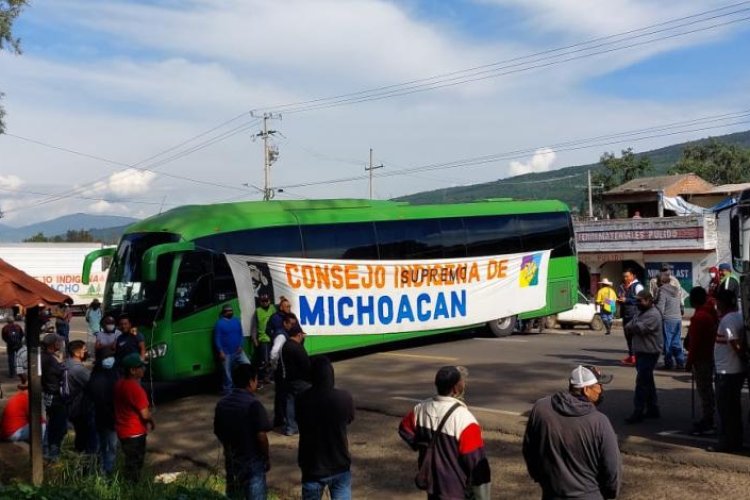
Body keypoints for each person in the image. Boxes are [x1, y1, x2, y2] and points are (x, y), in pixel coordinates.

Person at [523, 365, 621, 499]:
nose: (601, 390)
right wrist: (609, 493)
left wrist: (543, 480)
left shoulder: (541, 409)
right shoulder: (599, 422)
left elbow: (529, 450)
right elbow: (612, 467)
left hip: (552, 493)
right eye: (598, 385)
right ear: (586, 390)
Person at [398, 366, 491, 500]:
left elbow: (404, 429)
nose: (464, 384)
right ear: (455, 388)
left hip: (432, 486)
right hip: (456, 491)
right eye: (462, 382)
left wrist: (421, 446)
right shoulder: (466, 420)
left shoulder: (420, 409)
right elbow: (477, 466)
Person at [296, 356, 355, 500]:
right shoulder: (344, 397)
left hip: (312, 467)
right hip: (340, 464)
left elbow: (298, 421)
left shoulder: (302, 399)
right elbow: (349, 419)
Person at [214, 363, 272, 500]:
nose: (256, 383)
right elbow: (261, 436)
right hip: (252, 462)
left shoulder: (222, 404)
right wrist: (266, 457)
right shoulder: (254, 405)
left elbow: (218, 431)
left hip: (232, 460)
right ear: (251, 382)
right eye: (256, 379)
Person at [710, 288, 745, 453]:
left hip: (727, 373)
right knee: (732, 409)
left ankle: (727, 443)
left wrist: (744, 358)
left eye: (717, 302)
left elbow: (735, 344)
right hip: (732, 371)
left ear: (722, 303)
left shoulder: (728, 320)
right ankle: (734, 440)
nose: (716, 305)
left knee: (726, 410)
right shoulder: (737, 317)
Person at [624, 290, 664, 424]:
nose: (637, 303)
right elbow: (629, 325)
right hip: (641, 351)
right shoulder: (641, 312)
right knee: (648, 381)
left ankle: (638, 411)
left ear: (648, 300)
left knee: (641, 382)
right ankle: (653, 408)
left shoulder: (653, 315)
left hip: (650, 352)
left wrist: (631, 327)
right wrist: (631, 327)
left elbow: (638, 328)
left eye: (640, 301)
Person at [114, 352, 155, 481]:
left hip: (122, 431)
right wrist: (151, 420)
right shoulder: (136, 389)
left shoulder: (119, 384)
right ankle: (132, 489)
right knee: (135, 464)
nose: (143, 369)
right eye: (140, 367)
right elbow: (145, 414)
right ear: (132, 370)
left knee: (129, 461)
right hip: (135, 433)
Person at [685, 287, 718, 435]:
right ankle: (708, 418)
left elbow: (695, 343)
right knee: (707, 389)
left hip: (702, 357)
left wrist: (689, 362)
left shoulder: (701, 316)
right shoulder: (708, 312)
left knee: (704, 389)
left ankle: (708, 420)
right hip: (708, 355)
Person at [87, 353, 120, 475]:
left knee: (99, 446)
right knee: (110, 447)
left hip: (97, 417)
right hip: (109, 419)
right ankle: (107, 471)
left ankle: (97, 471)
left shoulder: (94, 378)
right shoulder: (114, 378)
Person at [65, 340, 97, 454]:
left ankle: (80, 455)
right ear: (77, 353)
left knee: (80, 436)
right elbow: (93, 385)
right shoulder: (78, 370)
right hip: (80, 408)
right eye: (84, 350)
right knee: (86, 437)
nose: (86, 352)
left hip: (71, 406)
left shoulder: (67, 364)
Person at [280, 323, 311, 436]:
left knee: (290, 403)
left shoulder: (285, 345)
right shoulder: (298, 348)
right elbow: (307, 366)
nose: (303, 337)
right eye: (302, 335)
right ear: (298, 335)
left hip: (288, 379)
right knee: (309, 401)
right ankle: (309, 424)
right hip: (300, 381)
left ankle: (290, 428)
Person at [41, 333, 68, 461]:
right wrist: (61, 362)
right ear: (53, 345)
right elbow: (62, 371)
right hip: (55, 396)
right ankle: (53, 452)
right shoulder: (51, 360)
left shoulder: (43, 357)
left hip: (47, 394)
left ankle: (46, 448)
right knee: (59, 426)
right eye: (58, 342)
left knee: (51, 423)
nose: (60, 344)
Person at [214, 304, 251, 395]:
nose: (230, 312)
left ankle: (245, 385)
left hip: (238, 351)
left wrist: (240, 345)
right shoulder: (219, 324)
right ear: (224, 313)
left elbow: (241, 334)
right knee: (227, 374)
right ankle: (228, 391)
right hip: (226, 353)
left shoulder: (236, 321)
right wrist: (220, 351)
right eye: (228, 311)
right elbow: (217, 338)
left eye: (231, 310)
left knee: (247, 364)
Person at [654, 271, 685, 370]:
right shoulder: (676, 289)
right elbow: (680, 304)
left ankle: (668, 363)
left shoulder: (662, 290)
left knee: (667, 342)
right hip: (677, 318)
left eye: (657, 280)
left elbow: (660, 308)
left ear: (660, 281)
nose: (656, 282)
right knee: (676, 342)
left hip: (667, 319)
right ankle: (680, 362)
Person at [0, 374, 45, 442]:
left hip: (8, 432)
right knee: (42, 426)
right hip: (12, 433)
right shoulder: (26, 398)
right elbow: (37, 418)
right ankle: (41, 448)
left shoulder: (20, 396)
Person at [270, 313, 296, 428]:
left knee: (280, 396)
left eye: (294, 324)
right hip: (281, 371)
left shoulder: (284, 334)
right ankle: (282, 420)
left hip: (280, 370)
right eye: (291, 324)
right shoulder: (281, 336)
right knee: (283, 396)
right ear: (285, 323)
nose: (292, 326)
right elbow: (274, 353)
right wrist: (277, 367)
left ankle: (279, 420)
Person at [617, 268, 644, 366]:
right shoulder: (623, 287)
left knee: (634, 337)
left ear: (633, 276)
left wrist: (627, 300)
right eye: (624, 276)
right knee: (628, 337)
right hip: (626, 315)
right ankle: (631, 356)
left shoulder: (638, 287)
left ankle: (635, 357)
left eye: (627, 276)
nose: (625, 278)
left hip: (635, 315)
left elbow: (642, 301)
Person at [251, 293, 276, 383]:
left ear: (269, 301)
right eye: (263, 301)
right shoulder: (257, 311)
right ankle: (264, 378)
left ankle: (269, 377)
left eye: (266, 301)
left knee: (273, 358)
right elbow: (254, 326)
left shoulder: (273, 309)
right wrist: (254, 339)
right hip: (263, 339)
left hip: (273, 338)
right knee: (264, 360)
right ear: (260, 302)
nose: (265, 302)